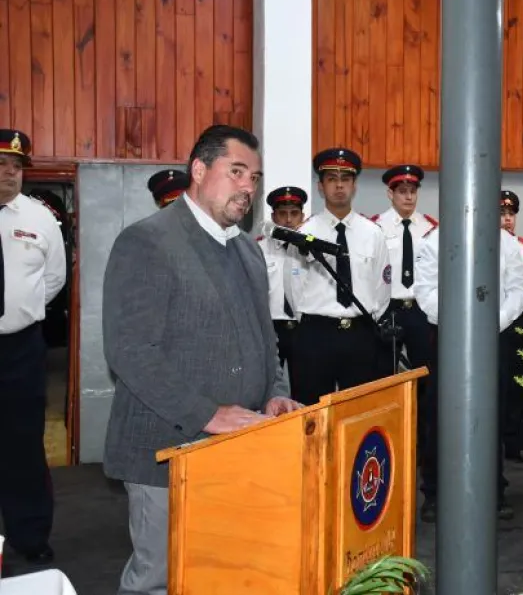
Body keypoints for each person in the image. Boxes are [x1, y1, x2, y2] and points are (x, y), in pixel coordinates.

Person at [102, 124, 301, 595]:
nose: (248, 187)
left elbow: (266, 340)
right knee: (160, 579)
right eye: (236, 172)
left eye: (254, 177)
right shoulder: (148, 241)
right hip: (166, 452)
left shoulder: (247, 253)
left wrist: (275, 393)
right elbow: (130, 351)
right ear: (198, 169)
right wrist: (207, 414)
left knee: (226, 572)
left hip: (241, 447)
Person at [413, 222, 523, 522]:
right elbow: (426, 292)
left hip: (495, 335)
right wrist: (463, 320)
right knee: (441, 413)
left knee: (493, 412)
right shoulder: (436, 241)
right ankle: (435, 494)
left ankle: (494, 491)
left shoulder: (506, 242)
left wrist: (493, 322)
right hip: (450, 334)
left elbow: (518, 288)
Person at [0, 129, 67, 567]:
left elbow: (54, 279)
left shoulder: (40, 218)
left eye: (15, 166)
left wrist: (18, 312)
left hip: (19, 349)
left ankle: (29, 534)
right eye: (0, 165)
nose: (7, 173)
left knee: (22, 445)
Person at [288, 148, 390, 404]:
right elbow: (293, 287)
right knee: (310, 411)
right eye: (332, 179)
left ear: (354, 185)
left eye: (345, 179)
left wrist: (369, 320)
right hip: (315, 334)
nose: (339, 186)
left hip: (360, 335)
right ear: (321, 187)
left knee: (360, 411)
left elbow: (382, 287)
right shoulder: (303, 233)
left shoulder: (373, 233)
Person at [369, 164, 437, 380]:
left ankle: (425, 415)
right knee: (384, 374)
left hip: (421, 308)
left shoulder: (431, 227)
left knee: (426, 372)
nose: (408, 197)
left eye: (413, 191)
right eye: (402, 191)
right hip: (389, 308)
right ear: (390, 193)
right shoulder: (375, 227)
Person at [499, 189, 523, 465]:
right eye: (501, 213)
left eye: (511, 214)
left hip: (513, 322)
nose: (507, 219)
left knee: (514, 384)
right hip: (480, 323)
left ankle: (515, 443)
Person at [257, 186, 308, 391]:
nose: (288, 220)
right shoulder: (259, 249)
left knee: (305, 386)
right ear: (273, 217)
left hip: (303, 327)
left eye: (294, 214)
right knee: (268, 387)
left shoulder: (311, 251)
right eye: (282, 214)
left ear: (302, 217)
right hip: (271, 328)